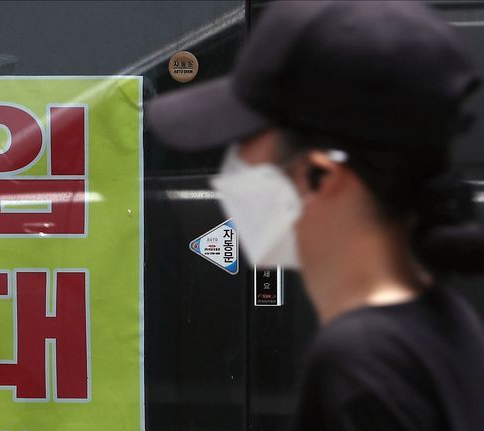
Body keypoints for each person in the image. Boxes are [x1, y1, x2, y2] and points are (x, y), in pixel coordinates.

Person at [147, 1, 484, 430]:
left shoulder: (358, 365)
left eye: (246, 148)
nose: (232, 174)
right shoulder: (440, 322)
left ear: (320, 175)